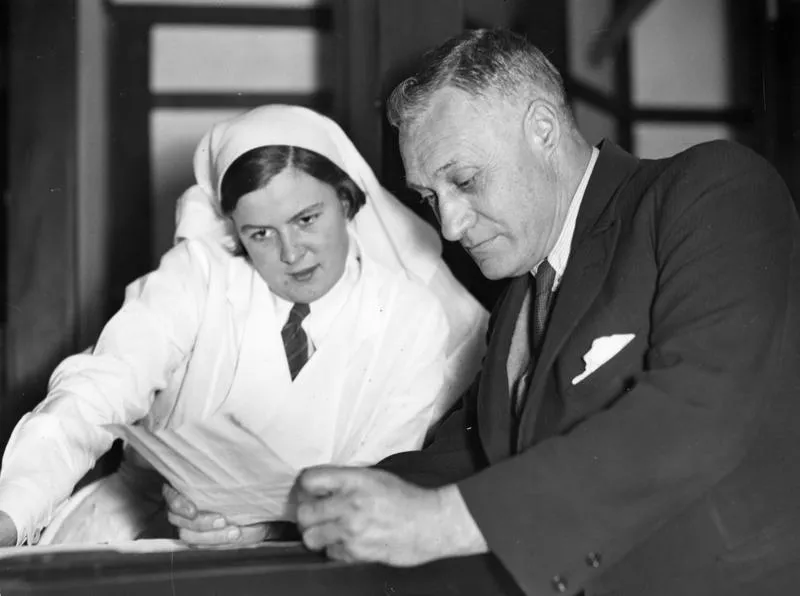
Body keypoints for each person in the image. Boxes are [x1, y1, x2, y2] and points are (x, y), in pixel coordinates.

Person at [269, 29, 800, 595]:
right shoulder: (521, 299)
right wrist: (296, 512)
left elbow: (695, 416)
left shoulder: (708, 190)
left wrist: (444, 522)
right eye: (430, 197)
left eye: (465, 181)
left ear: (542, 128)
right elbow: (468, 456)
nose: (449, 225)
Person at [0, 105, 488, 548]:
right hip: (127, 535)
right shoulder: (197, 276)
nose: (291, 253)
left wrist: (273, 524)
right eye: (261, 234)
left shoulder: (410, 317)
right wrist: (11, 510)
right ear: (234, 229)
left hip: (306, 555)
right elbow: (95, 390)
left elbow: (381, 472)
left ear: (346, 200)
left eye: (306, 219)